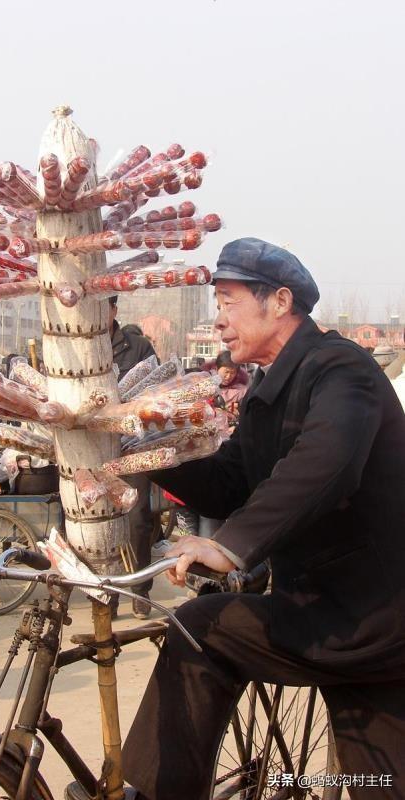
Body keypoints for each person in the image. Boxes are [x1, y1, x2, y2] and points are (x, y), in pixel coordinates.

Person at [122, 238, 405, 800]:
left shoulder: (340, 367)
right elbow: (230, 480)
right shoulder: (267, 390)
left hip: (365, 614)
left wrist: (229, 546)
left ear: (279, 301)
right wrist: (143, 449)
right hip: (333, 612)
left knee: (199, 627)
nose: (218, 320)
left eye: (228, 302)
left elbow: (327, 461)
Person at [109, 296, 158, 619]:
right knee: (101, 524)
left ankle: (140, 591)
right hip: (92, 448)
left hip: (133, 445)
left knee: (138, 520)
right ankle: (107, 594)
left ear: (113, 309)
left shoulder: (138, 347)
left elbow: (158, 386)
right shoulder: (80, 347)